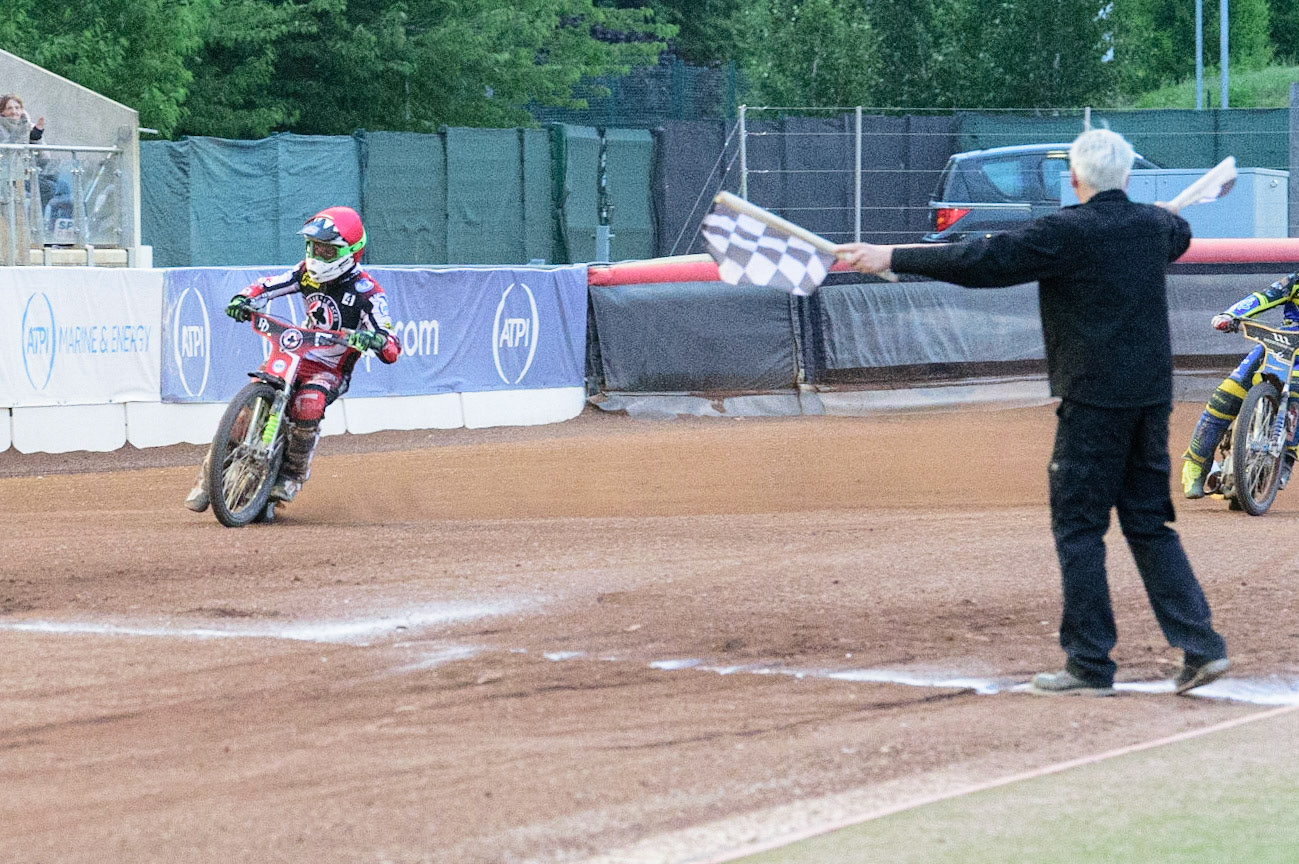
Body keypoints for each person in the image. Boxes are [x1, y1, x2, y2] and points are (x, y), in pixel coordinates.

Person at [837, 128, 1229, 697]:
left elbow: (984, 259)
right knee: (1148, 523)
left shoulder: (1065, 232)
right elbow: (1177, 230)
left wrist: (890, 255)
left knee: (1078, 528)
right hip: (1148, 398)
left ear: (1074, 179)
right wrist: (1152, 215)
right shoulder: (1155, 226)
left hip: (1093, 401)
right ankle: (1201, 647)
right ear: (1125, 176)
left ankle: (1090, 665)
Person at [185, 206, 401, 512]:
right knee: (252, 398)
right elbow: (270, 284)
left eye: (326, 250)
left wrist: (376, 340)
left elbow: (391, 342)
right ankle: (208, 477)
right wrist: (244, 299)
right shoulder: (305, 274)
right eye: (313, 247)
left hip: (330, 368)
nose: (317, 255)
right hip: (296, 354)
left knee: (308, 403)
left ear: (350, 252)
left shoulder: (367, 293)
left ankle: (291, 474)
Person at [1181, 272, 1299, 498]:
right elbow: (1263, 297)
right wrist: (1230, 314)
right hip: (1279, 343)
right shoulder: (1295, 280)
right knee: (1227, 394)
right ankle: (1196, 463)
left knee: (1296, 395)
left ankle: (1286, 460)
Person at [0, 94, 54, 208]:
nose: (14, 111)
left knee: (52, 186)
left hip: (24, 173)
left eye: (17, 108)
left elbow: (45, 159)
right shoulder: (2, 128)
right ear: (3, 112)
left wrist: (36, 138)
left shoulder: (28, 127)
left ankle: (34, 219)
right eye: (9, 108)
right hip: (6, 174)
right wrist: (21, 132)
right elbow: (5, 151)